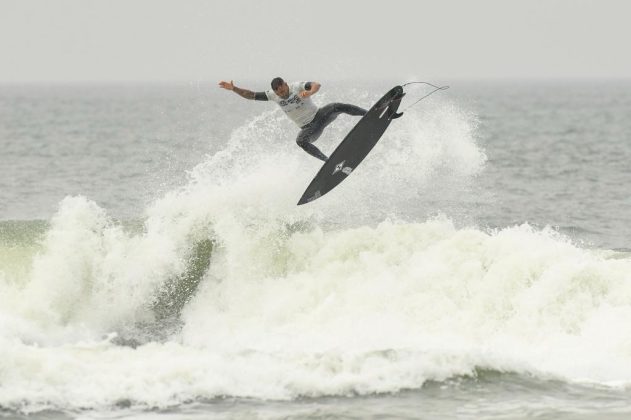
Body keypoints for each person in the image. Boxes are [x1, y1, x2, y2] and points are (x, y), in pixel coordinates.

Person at [218, 77, 367, 162]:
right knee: (301, 141)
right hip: (309, 129)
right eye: (279, 92)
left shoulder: (296, 86)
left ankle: (369, 114)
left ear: (285, 85)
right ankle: (328, 162)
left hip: (320, 116)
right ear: (275, 91)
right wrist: (234, 89)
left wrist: (309, 92)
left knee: (336, 106)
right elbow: (250, 95)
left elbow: (316, 85)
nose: (282, 94)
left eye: (283, 90)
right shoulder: (272, 95)